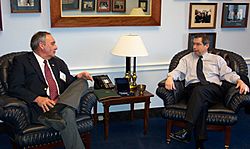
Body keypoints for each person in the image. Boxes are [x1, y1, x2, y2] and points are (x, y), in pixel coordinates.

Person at [8, 31, 93, 149]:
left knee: (82, 82)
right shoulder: (22, 61)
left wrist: (78, 77)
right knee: (68, 112)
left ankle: (56, 111)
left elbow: (68, 82)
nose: (56, 47)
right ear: (42, 45)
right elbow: (14, 87)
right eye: (52, 44)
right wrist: (37, 99)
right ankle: (54, 112)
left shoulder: (57, 62)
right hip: (42, 107)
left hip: (60, 101)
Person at [165, 33, 249, 149]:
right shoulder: (186, 59)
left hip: (213, 89)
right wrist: (170, 77)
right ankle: (200, 144)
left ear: (206, 45)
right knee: (201, 103)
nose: (194, 47)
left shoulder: (217, 59)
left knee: (200, 92)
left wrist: (239, 81)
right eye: (193, 44)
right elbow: (178, 72)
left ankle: (187, 130)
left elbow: (227, 74)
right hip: (193, 89)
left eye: (198, 44)